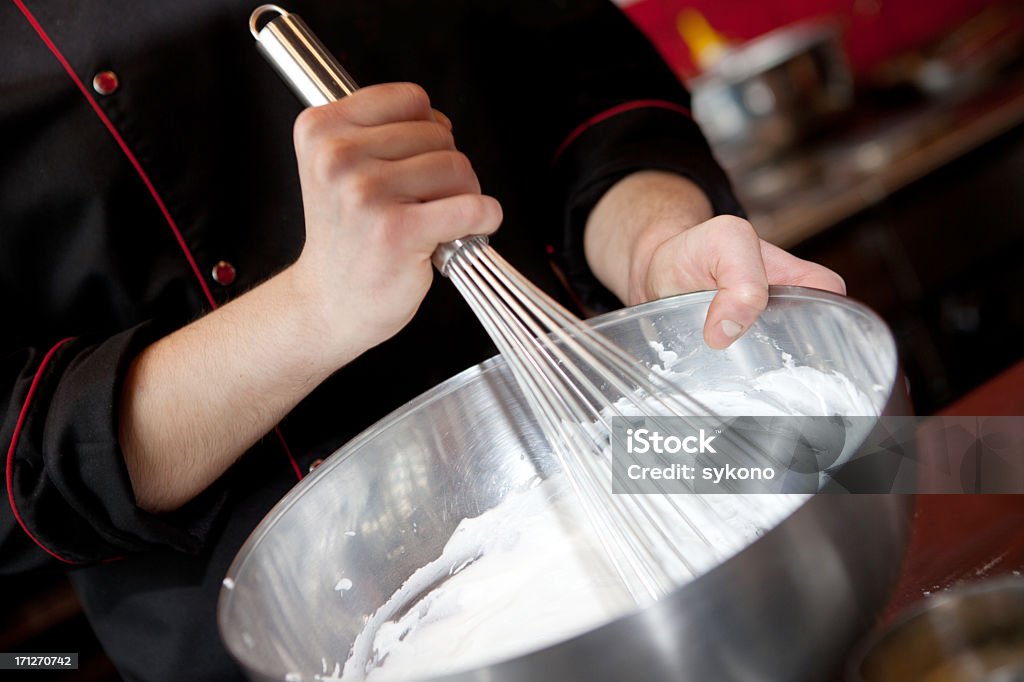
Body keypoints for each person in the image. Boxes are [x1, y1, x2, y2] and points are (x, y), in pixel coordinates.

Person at [1, 0, 844, 679]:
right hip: (274, 648)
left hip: (627, 480)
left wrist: (656, 246)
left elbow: (586, 91)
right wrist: (312, 311)